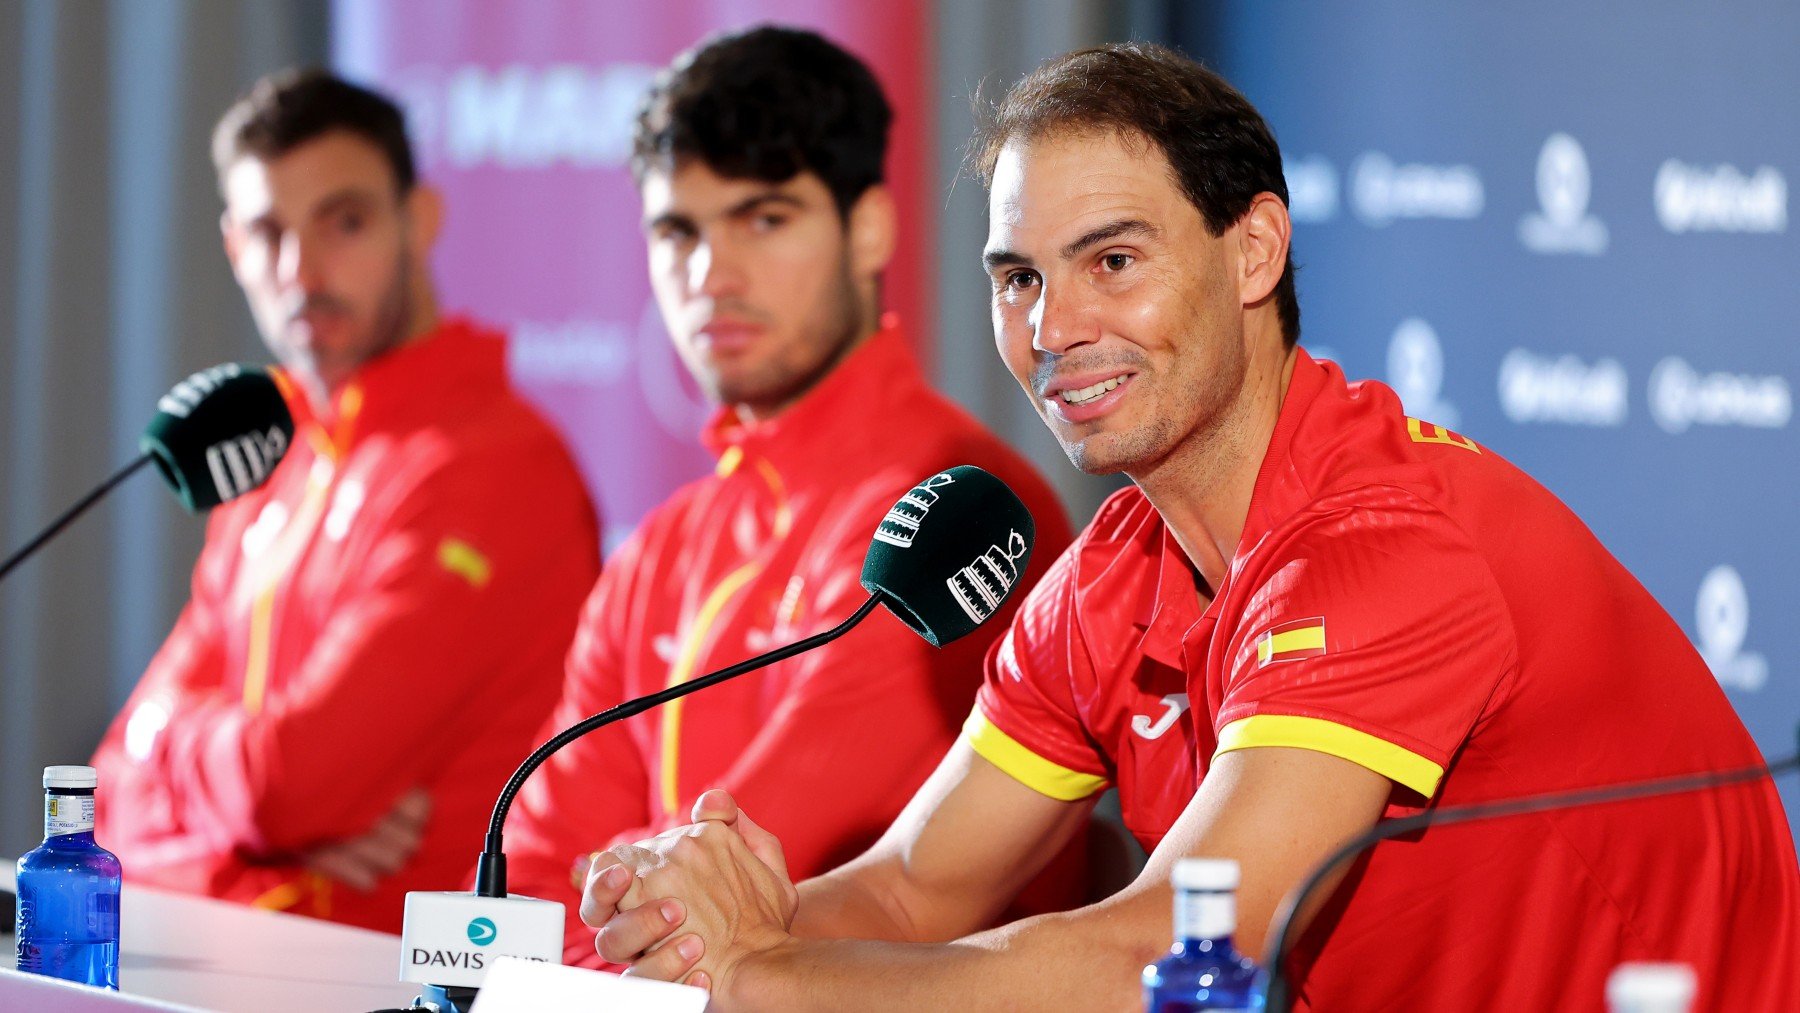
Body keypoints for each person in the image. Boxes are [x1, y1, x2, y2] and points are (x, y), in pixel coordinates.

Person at [580, 43, 1800, 1009]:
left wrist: (759, 970)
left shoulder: (1386, 541)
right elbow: (908, 892)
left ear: (1254, 249)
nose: (1054, 327)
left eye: (1113, 260)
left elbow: (1154, 960)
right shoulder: (1107, 577)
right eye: (1019, 278)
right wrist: (703, 920)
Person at [499, 26, 1077, 967]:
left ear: (871, 229)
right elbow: (524, 874)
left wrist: (565, 958)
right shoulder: (664, 546)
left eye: (764, 219)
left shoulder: (955, 515)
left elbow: (749, 892)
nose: (711, 277)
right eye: (678, 231)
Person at [88, 70, 600, 933]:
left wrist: (202, 770)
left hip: (409, 976)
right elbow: (110, 786)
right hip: (235, 956)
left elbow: (289, 786)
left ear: (420, 221)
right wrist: (242, 823)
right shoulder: (272, 461)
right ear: (233, 248)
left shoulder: (495, 467)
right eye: (268, 232)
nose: (302, 270)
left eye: (345, 221)